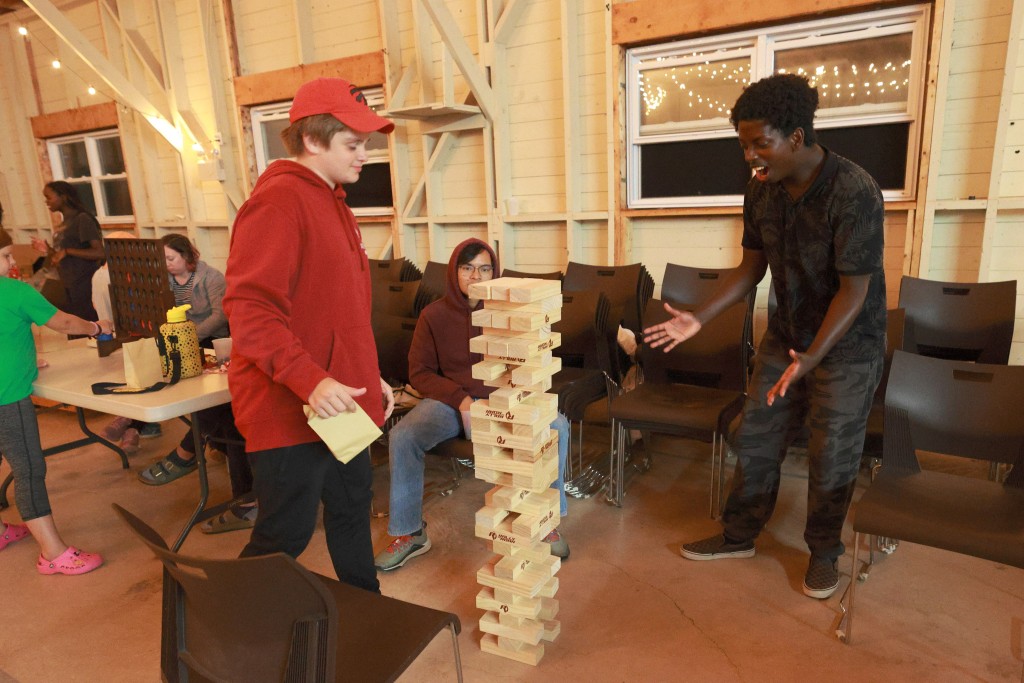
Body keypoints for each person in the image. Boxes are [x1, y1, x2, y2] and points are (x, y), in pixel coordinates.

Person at [644, 73, 886, 600]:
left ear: (796, 137)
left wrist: (814, 357)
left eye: (760, 143)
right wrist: (699, 317)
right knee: (755, 436)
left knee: (833, 453)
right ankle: (739, 535)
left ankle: (824, 554)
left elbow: (855, 291)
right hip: (786, 336)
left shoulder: (854, 190)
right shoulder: (761, 189)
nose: (750, 155)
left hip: (846, 347)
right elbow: (750, 268)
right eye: (743, 144)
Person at [223, 77, 396, 591]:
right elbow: (250, 311)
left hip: (342, 404)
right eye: (353, 144)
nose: (364, 155)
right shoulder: (278, 203)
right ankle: (230, 627)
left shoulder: (333, 201)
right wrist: (311, 380)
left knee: (352, 509)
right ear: (312, 140)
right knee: (284, 535)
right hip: (289, 410)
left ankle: (367, 608)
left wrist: (367, 373)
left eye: (365, 143)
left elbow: (338, 312)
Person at [374, 239, 571, 571]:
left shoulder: (510, 313)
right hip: (453, 402)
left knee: (557, 427)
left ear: (495, 272)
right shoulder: (433, 315)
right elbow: (419, 373)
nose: (475, 276)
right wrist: (460, 399)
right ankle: (410, 533)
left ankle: (545, 521)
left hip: (504, 399)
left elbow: (531, 362)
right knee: (403, 436)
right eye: (467, 268)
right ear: (454, 272)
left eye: (484, 268)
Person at [0, 228, 108, 575]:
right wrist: (96, 327)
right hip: (7, 399)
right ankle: (53, 553)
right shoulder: (14, 291)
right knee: (30, 471)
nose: (12, 261)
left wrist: (24, 358)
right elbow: (62, 322)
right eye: (5, 255)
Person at [137, 235, 254, 532]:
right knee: (224, 413)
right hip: (193, 343)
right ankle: (241, 496)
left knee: (223, 407)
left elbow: (221, 316)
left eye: (171, 258)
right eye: (162, 260)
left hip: (211, 340)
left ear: (187, 256)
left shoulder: (212, 278)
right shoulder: (165, 282)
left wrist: (190, 335)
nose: (166, 264)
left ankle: (188, 452)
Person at [91, 230, 163, 453]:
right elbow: (104, 315)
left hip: (149, 336)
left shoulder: (144, 273)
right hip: (123, 337)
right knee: (128, 372)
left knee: (145, 370)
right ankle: (131, 423)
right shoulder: (101, 277)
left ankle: (130, 424)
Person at [31, 181, 104, 323]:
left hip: (85, 286)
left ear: (63, 197)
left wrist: (67, 251)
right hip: (68, 286)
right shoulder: (64, 223)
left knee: (87, 327)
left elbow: (100, 253)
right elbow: (61, 257)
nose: (46, 202)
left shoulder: (82, 219)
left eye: (49, 197)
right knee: (74, 329)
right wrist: (48, 250)